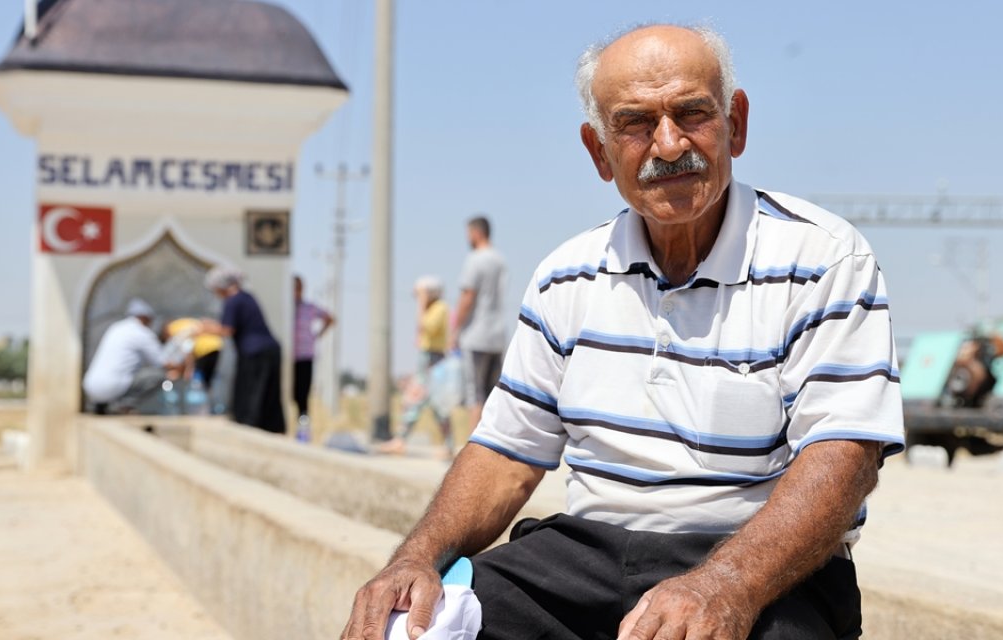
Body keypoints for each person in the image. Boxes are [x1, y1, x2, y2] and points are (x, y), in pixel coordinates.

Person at [343, 24, 904, 640]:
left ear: (735, 124)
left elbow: (845, 458)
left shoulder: (825, 260)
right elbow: (505, 453)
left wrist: (725, 587)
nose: (668, 145)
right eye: (636, 123)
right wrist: (415, 558)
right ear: (599, 151)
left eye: (692, 113)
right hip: (583, 558)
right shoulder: (565, 277)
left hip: (760, 566)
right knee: (406, 627)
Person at [379, 276, 456, 457]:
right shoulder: (435, 308)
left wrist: (421, 305)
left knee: (419, 401)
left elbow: (427, 327)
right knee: (431, 403)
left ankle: (401, 440)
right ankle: (447, 443)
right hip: (428, 357)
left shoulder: (440, 308)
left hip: (434, 358)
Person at [201, 266, 285, 433]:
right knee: (268, 395)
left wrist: (204, 328)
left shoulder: (233, 300)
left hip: (255, 353)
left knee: (251, 394)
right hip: (269, 350)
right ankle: (271, 429)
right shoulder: (246, 297)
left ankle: (250, 429)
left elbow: (226, 330)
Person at [450, 215, 507, 431]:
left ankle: (472, 449)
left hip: (476, 335)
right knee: (494, 395)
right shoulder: (500, 260)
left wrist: (454, 329)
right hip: (497, 335)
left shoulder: (475, 259)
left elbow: (467, 296)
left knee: (475, 395)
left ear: (476, 233)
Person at [82, 298, 176, 414]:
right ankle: (124, 405)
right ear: (144, 317)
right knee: (159, 375)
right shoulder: (142, 332)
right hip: (112, 387)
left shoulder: (116, 327)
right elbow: (163, 362)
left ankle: (102, 406)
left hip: (90, 387)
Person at [293, 276, 335, 430]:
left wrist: (317, 335)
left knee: (302, 395)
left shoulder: (309, 308)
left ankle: (303, 427)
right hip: (288, 358)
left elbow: (330, 318)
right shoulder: (285, 308)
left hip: (304, 355)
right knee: (290, 393)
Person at [163, 317, 224, 391]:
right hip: (217, 347)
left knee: (202, 381)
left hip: (204, 351)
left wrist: (188, 368)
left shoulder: (174, 328)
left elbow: (186, 350)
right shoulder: (185, 324)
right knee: (208, 380)